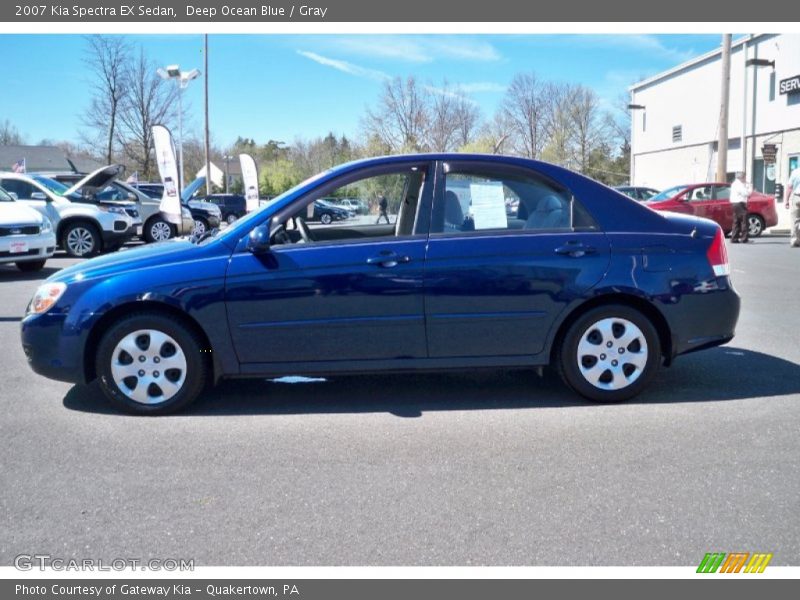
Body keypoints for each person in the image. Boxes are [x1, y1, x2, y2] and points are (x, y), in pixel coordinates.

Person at [729, 171, 752, 243]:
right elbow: (747, 193)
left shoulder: (734, 184)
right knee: (744, 220)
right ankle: (744, 238)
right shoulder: (739, 184)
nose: (745, 178)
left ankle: (734, 238)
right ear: (741, 177)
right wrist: (750, 187)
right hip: (740, 203)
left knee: (736, 221)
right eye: (744, 177)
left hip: (735, 203)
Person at [785, 165, 800, 248]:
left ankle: (795, 240)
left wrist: (786, 200)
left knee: (795, 220)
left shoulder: (795, 172)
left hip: (797, 197)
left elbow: (789, 187)